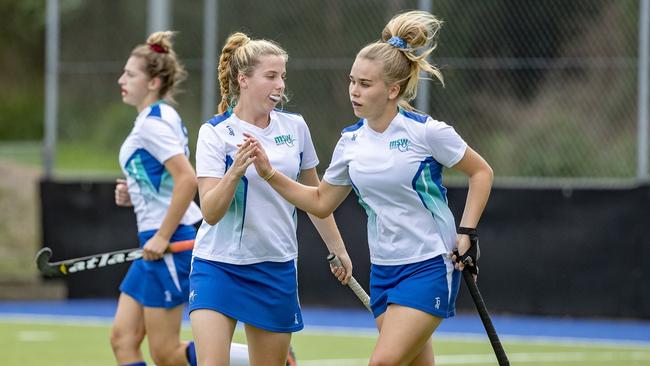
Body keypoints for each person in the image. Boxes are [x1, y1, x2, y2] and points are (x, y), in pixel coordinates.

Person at [247, 10, 494, 365]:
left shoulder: (426, 132)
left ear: (393, 89)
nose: (354, 91)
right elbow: (319, 203)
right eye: (352, 81)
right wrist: (270, 174)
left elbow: (481, 172)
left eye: (365, 84)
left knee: (381, 363)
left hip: (428, 263)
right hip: (383, 269)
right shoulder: (350, 142)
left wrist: (467, 232)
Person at [188, 32, 352, 366]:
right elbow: (211, 212)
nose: (280, 85)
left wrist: (338, 249)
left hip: (274, 266)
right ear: (243, 79)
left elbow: (315, 198)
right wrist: (234, 172)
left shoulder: (295, 128)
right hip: (217, 265)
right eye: (271, 76)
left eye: (282, 76)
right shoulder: (215, 133)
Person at [112, 31, 252, 366]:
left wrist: (162, 236)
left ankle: (268, 358)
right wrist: (136, 192)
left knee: (166, 353)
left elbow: (187, 179)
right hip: (155, 238)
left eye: (131, 74)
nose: (122, 79)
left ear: (154, 82)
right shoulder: (158, 117)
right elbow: (163, 180)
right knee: (122, 338)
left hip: (168, 240)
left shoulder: (153, 125)